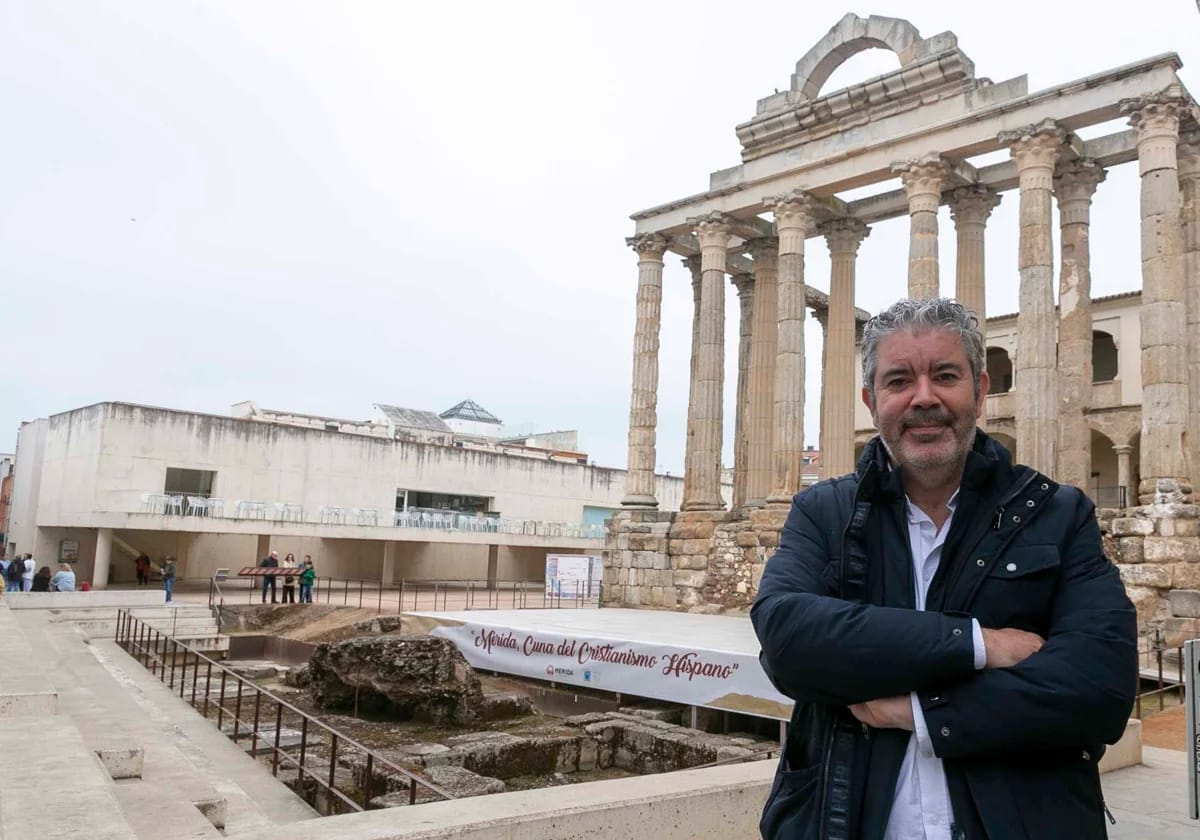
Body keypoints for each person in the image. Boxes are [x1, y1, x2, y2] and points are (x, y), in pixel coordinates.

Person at [752, 298, 1137, 840]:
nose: (924, 398)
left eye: (946, 376)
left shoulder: (1057, 515)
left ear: (980, 391)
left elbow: (1100, 690)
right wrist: (980, 645)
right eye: (899, 380)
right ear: (871, 400)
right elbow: (789, 641)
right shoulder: (824, 514)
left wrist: (917, 711)